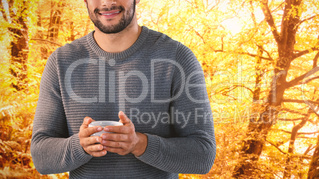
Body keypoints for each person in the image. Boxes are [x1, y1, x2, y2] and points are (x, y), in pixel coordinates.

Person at [30, 0, 216, 178]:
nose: (107, 2)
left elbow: (203, 156)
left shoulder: (177, 58)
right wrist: (80, 146)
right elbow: (41, 156)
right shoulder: (60, 62)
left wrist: (140, 144)